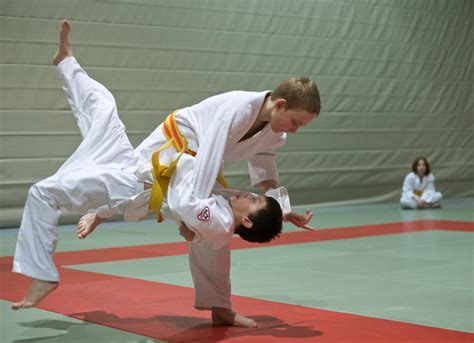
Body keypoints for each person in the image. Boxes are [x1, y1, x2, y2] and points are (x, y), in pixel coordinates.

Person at [11, 21, 284, 328]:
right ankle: (66, 62)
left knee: (43, 191)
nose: (247, 193)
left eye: (254, 201)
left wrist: (190, 220)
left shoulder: (219, 224)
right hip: (132, 168)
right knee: (103, 108)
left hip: (129, 184)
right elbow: (211, 257)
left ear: (246, 220)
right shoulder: (221, 213)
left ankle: (43, 274)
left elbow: (185, 205)